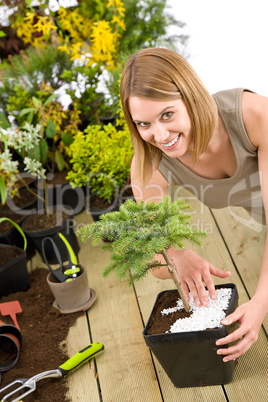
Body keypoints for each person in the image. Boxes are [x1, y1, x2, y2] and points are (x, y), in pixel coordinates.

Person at [120, 47, 268, 362]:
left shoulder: (254, 116)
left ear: (190, 95)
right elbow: (154, 259)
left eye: (167, 114)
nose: (159, 135)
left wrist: (260, 302)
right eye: (143, 124)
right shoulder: (150, 164)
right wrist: (176, 253)